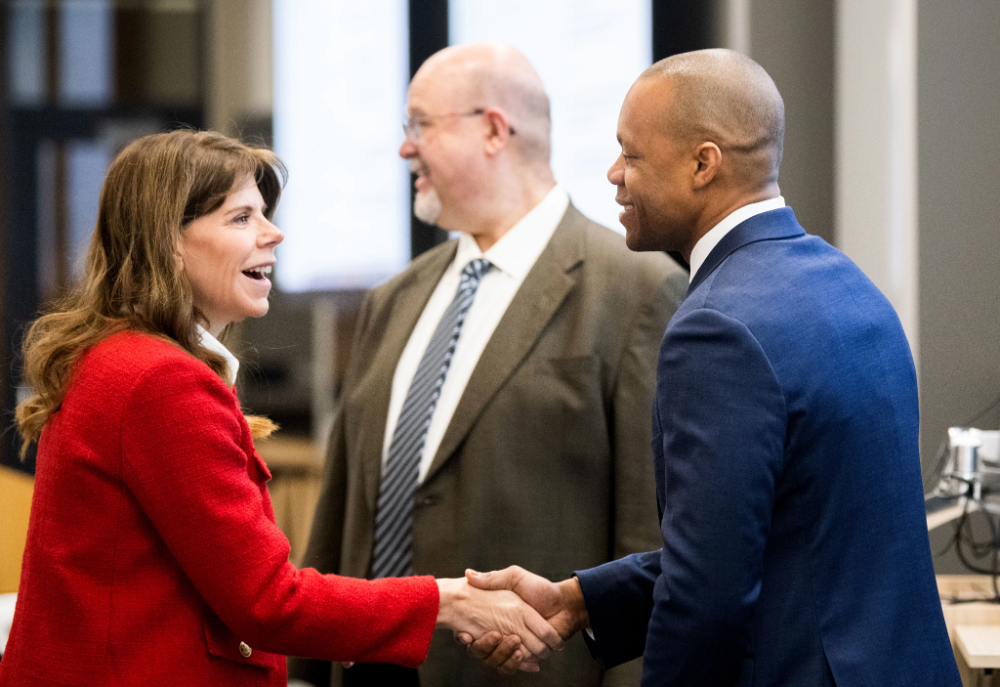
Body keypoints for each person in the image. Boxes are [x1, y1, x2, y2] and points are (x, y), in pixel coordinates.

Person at [463, 49, 961, 686]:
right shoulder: (850, 284)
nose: (614, 174)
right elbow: (791, 537)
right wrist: (582, 601)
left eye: (632, 155)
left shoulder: (716, 327)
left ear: (703, 164)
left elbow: (708, 596)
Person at [0, 129, 563, 687]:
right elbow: (268, 602)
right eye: (242, 217)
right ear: (168, 239)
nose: (274, 233)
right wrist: (450, 601)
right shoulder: (160, 381)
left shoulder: (117, 358)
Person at [290, 43, 687, 687]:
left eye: (420, 125)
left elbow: (650, 539)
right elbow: (338, 519)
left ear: (495, 129)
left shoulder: (636, 290)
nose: (404, 148)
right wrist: (305, 671)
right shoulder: (394, 300)